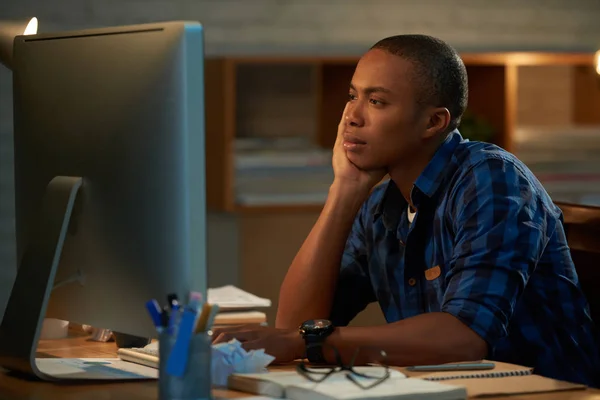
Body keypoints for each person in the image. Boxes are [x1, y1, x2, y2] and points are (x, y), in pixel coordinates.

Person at [212, 34, 600, 387]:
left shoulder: (491, 178)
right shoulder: (384, 202)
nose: (352, 116)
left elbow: (462, 337)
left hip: (546, 393)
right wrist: (343, 193)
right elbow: (297, 325)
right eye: (352, 96)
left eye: (376, 101)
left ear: (434, 122)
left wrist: (305, 340)